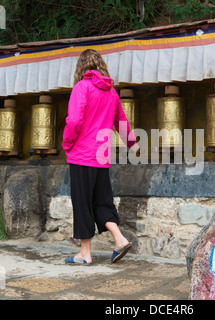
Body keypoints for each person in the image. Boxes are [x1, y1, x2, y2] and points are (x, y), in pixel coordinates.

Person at [62, 49, 138, 265]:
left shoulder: (82, 87)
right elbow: (121, 123)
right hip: (101, 157)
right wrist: (132, 144)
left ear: (81, 68)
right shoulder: (111, 92)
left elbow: (74, 121)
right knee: (102, 202)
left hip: (82, 155)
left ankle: (85, 254)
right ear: (101, 66)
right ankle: (120, 239)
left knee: (83, 203)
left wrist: (67, 144)